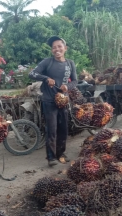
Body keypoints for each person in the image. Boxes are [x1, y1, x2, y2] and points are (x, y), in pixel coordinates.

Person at [29, 36, 77, 166]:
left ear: (65, 48)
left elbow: (75, 81)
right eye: (54, 47)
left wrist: (68, 86)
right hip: (49, 101)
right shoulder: (47, 62)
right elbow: (32, 74)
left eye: (59, 46)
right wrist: (46, 78)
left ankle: (60, 153)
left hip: (63, 101)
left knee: (64, 129)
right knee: (52, 129)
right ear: (52, 50)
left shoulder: (70, 64)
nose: (57, 49)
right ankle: (51, 158)